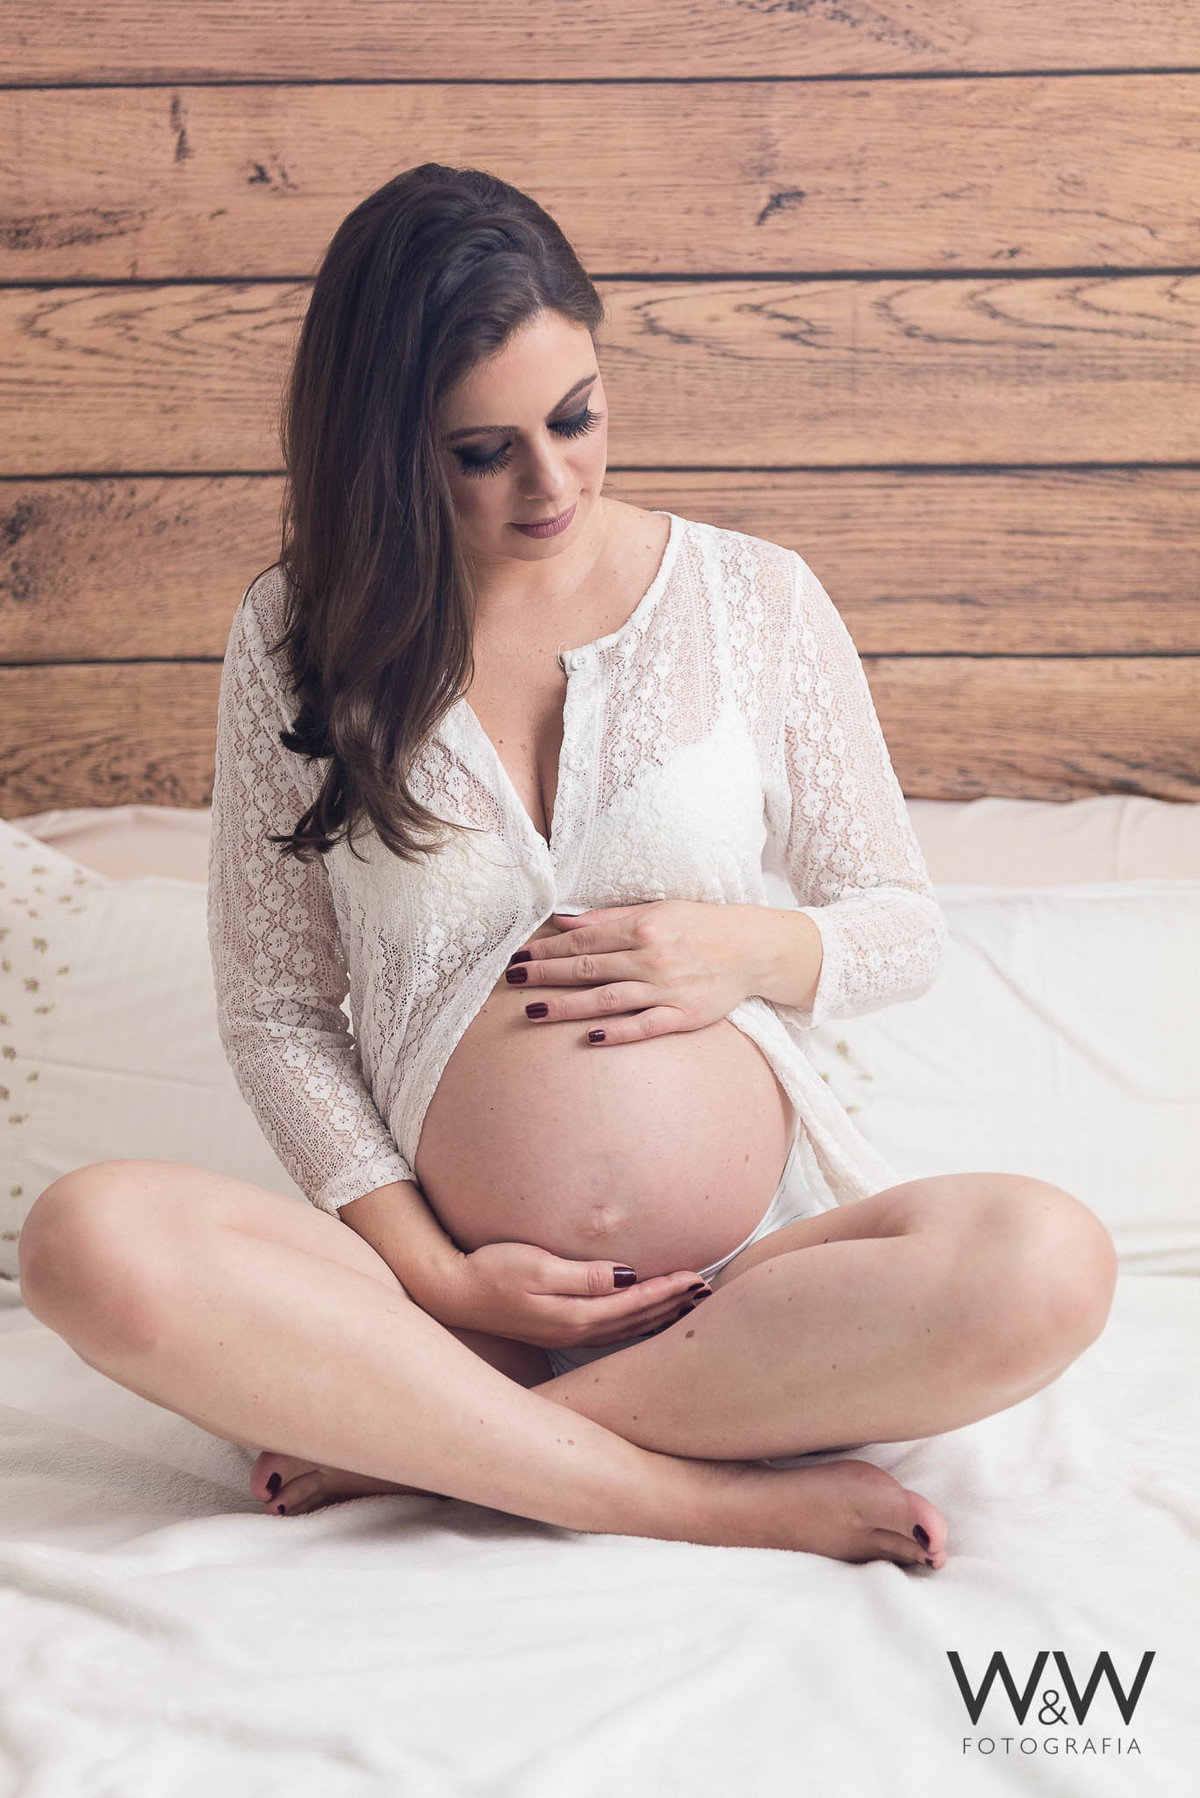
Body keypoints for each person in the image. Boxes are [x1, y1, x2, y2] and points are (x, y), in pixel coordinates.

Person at [17, 165, 1118, 1567]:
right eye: (482, 451)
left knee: (1047, 1259)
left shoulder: (753, 598)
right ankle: (684, 1491)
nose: (553, 482)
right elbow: (278, 1009)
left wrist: (749, 949)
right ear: (386, 447)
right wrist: (437, 1269)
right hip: (435, 1297)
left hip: (735, 1299)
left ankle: (431, 1445)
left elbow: (899, 923)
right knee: (85, 1237)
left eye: (577, 417)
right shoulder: (298, 636)